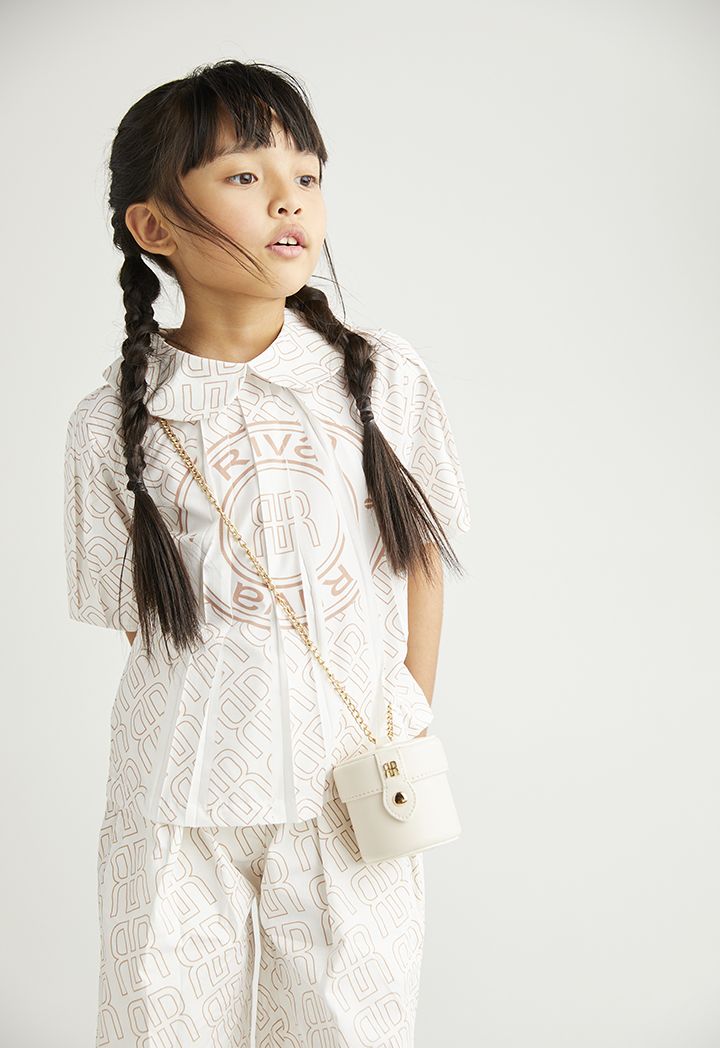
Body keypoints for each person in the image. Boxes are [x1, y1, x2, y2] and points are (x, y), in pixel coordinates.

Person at [63, 58, 472, 1048]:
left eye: (306, 174)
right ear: (154, 226)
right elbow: (139, 622)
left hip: (351, 789)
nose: (289, 198)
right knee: (161, 1025)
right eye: (244, 175)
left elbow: (420, 556)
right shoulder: (109, 421)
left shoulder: (380, 377)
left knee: (350, 1029)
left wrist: (405, 711)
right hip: (175, 795)